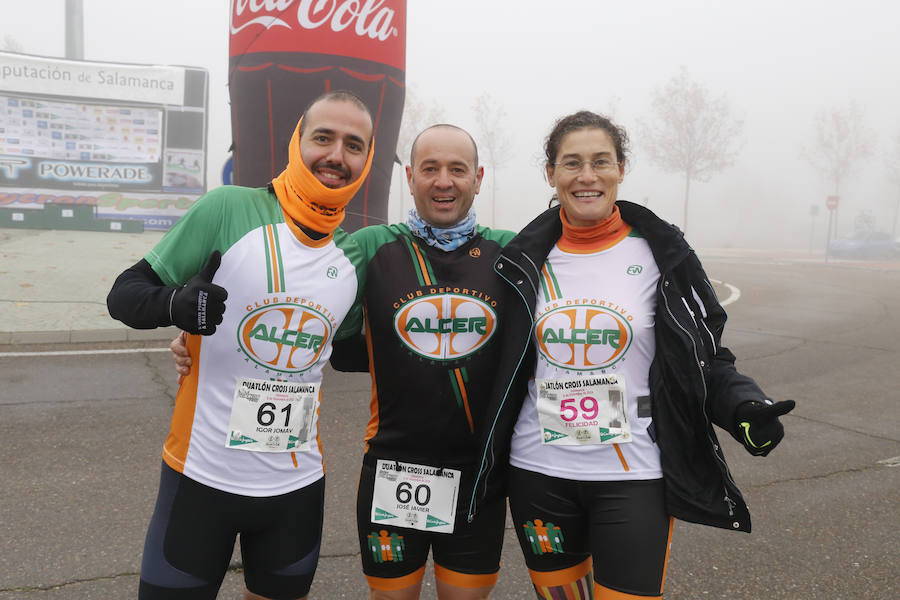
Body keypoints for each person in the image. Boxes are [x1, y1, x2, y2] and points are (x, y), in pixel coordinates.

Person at [173, 124, 516, 600]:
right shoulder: (371, 246)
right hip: (394, 469)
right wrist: (197, 334)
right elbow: (301, 299)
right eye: (431, 169)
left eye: (457, 170)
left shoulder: (513, 251)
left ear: (477, 178)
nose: (444, 181)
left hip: (479, 474)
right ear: (410, 177)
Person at [466, 110, 795, 600]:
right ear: (550, 175)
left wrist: (743, 405)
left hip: (632, 473)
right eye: (571, 163)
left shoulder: (662, 255)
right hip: (538, 472)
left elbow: (704, 356)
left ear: (621, 168)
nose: (587, 176)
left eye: (601, 161)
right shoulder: (521, 260)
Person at [107, 90, 375, 600]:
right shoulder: (227, 209)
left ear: (367, 160)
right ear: (298, 142)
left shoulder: (354, 254)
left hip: (295, 490)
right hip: (199, 479)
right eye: (324, 138)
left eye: (354, 145)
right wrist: (175, 306)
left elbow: (347, 353)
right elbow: (124, 295)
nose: (337, 156)